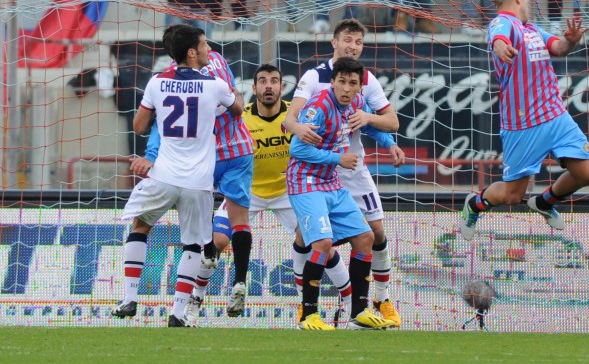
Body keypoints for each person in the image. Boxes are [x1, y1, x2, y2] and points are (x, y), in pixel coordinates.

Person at [112, 25, 242, 327]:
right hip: (198, 182)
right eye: (205, 44)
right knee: (194, 245)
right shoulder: (214, 84)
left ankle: (130, 298)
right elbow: (238, 109)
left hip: (164, 175)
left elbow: (139, 126)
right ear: (192, 52)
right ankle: (179, 312)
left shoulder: (158, 82)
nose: (210, 49)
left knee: (141, 225)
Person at [284, 18, 406, 326]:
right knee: (315, 241)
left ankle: (367, 307)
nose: (348, 87)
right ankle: (308, 312)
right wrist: (326, 149)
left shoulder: (360, 92)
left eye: (358, 41)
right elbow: (294, 136)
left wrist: (388, 142)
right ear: (334, 42)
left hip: (340, 173)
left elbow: (384, 122)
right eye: (347, 39)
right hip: (312, 174)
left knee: (369, 235)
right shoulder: (317, 88)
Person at [459, 0, 589, 239]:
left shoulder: (532, 29)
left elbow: (558, 48)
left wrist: (571, 42)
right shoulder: (503, 23)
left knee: (587, 173)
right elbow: (497, 36)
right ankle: (474, 204)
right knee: (513, 196)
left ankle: (545, 202)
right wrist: (499, 46)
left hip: (556, 115)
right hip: (523, 123)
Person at [183, 65, 302, 322]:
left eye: (274, 81)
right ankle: (195, 300)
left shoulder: (297, 115)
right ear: (254, 88)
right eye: (262, 81)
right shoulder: (241, 118)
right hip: (247, 191)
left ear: (283, 86)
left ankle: (310, 307)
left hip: (287, 192)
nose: (268, 86)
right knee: (217, 242)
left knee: (316, 242)